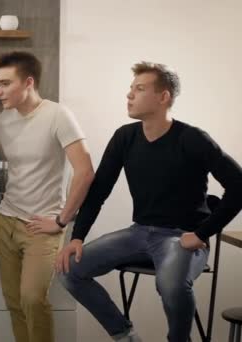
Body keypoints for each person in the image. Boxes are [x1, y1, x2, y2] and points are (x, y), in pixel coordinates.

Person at [56, 61, 242, 342]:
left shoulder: (192, 138)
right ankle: (125, 335)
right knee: (70, 271)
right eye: (131, 88)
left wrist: (202, 233)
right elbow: (99, 191)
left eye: (139, 89)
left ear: (163, 96)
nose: (129, 95)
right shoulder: (125, 137)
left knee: (170, 283)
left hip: (182, 237)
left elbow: (239, 186)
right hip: (139, 232)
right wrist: (77, 236)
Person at [0, 51, 94, 342]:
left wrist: (61, 220)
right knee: (14, 303)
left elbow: (85, 171)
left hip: (41, 227)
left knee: (32, 299)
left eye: (4, 83)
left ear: (28, 82)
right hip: (6, 222)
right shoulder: (3, 121)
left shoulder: (58, 115)